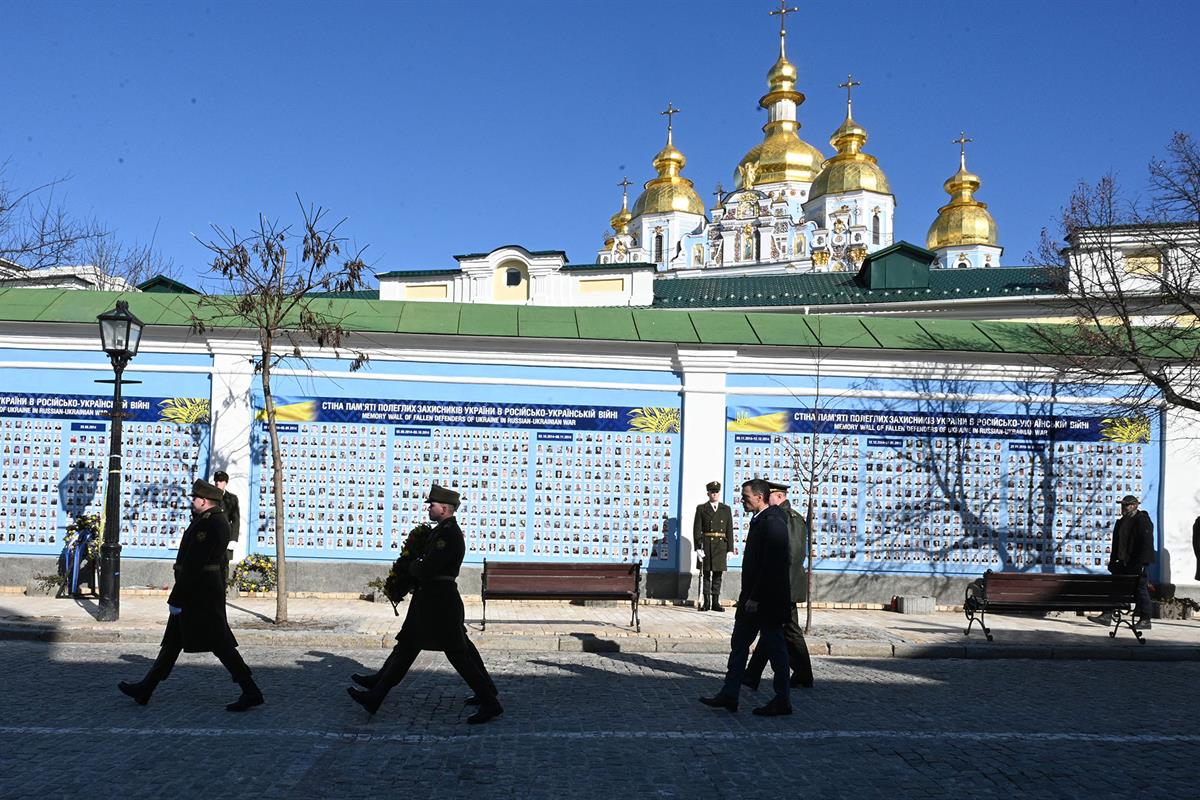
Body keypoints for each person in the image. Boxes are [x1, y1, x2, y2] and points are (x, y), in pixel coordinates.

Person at [347, 485, 502, 724]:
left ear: (444, 508)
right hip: (432, 600)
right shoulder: (441, 531)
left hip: (440, 602)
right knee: (409, 646)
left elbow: (428, 568)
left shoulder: (448, 534)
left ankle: (490, 702)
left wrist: (411, 567)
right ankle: (376, 691)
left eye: (432, 505)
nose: (429, 508)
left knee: (456, 653)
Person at [117, 479, 263, 711]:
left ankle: (250, 690)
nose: (192, 502)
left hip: (200, 592)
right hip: (200, 589)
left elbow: (194, 564)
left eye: (195, 498)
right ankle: (146, 687)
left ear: (204, 501)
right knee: (173, 642)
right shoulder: (211, 520)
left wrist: (177, 597)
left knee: (219, 642)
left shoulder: (209, 524)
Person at [699, 478, 792, 716]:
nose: (742, 500)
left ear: (759, 497)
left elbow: (771, 565)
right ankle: (730, 694)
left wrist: (756, 596)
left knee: (776, 649)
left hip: (766, 601)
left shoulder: (774, 522)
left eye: (746, 496)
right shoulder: (761, 519)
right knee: (739, 645)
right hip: (752, 599)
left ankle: (782, 699)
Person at [743, 481, 814, 690]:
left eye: (769, 495)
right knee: (773, 630)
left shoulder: (788, 518)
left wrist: (782, 589)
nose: (765, 498)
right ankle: (752, 675)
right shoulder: (777, 516)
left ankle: (802, 674)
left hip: (786, 586)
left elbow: (790, 555)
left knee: (788, 631)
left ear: (779, 496)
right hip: (781, 586)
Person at [1094, 495, 1155, 629]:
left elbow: (1146, 544)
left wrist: (1143, 564)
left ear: (1134, 506)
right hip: (1122, 562)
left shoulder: (1142, 520)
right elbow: (1115, 545)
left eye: (1126, 505)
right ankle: (1107, 614)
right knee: (1114, 586)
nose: (1123, 508)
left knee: (1140, 589)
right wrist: (1112, 562)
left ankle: (1146, 619)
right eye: (1122, 505)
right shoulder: (1121, 522)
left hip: (1137, 563)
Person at [692, 480, 734, 612]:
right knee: (705, 575)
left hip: (721, 545)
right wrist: (698, 547)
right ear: (708, 493)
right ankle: (706, 602)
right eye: (712, 492)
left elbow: (729, 530)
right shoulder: (702, 508)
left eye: (716, 492)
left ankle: (715, 602)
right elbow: (697, 529)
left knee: (717, 575)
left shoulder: (726, 509)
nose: (714, 494)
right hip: (707, 544)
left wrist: (730, 549)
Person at [213, 470, 240, 588]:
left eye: (221, 481)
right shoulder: (210, 497)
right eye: (216, 481)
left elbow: (236, 520)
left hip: (226, 537)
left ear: (226, 482)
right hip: (212, 536)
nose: (218, 483)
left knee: (224, 565)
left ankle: (223, 590)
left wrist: (233, 539)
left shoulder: (232, 498)